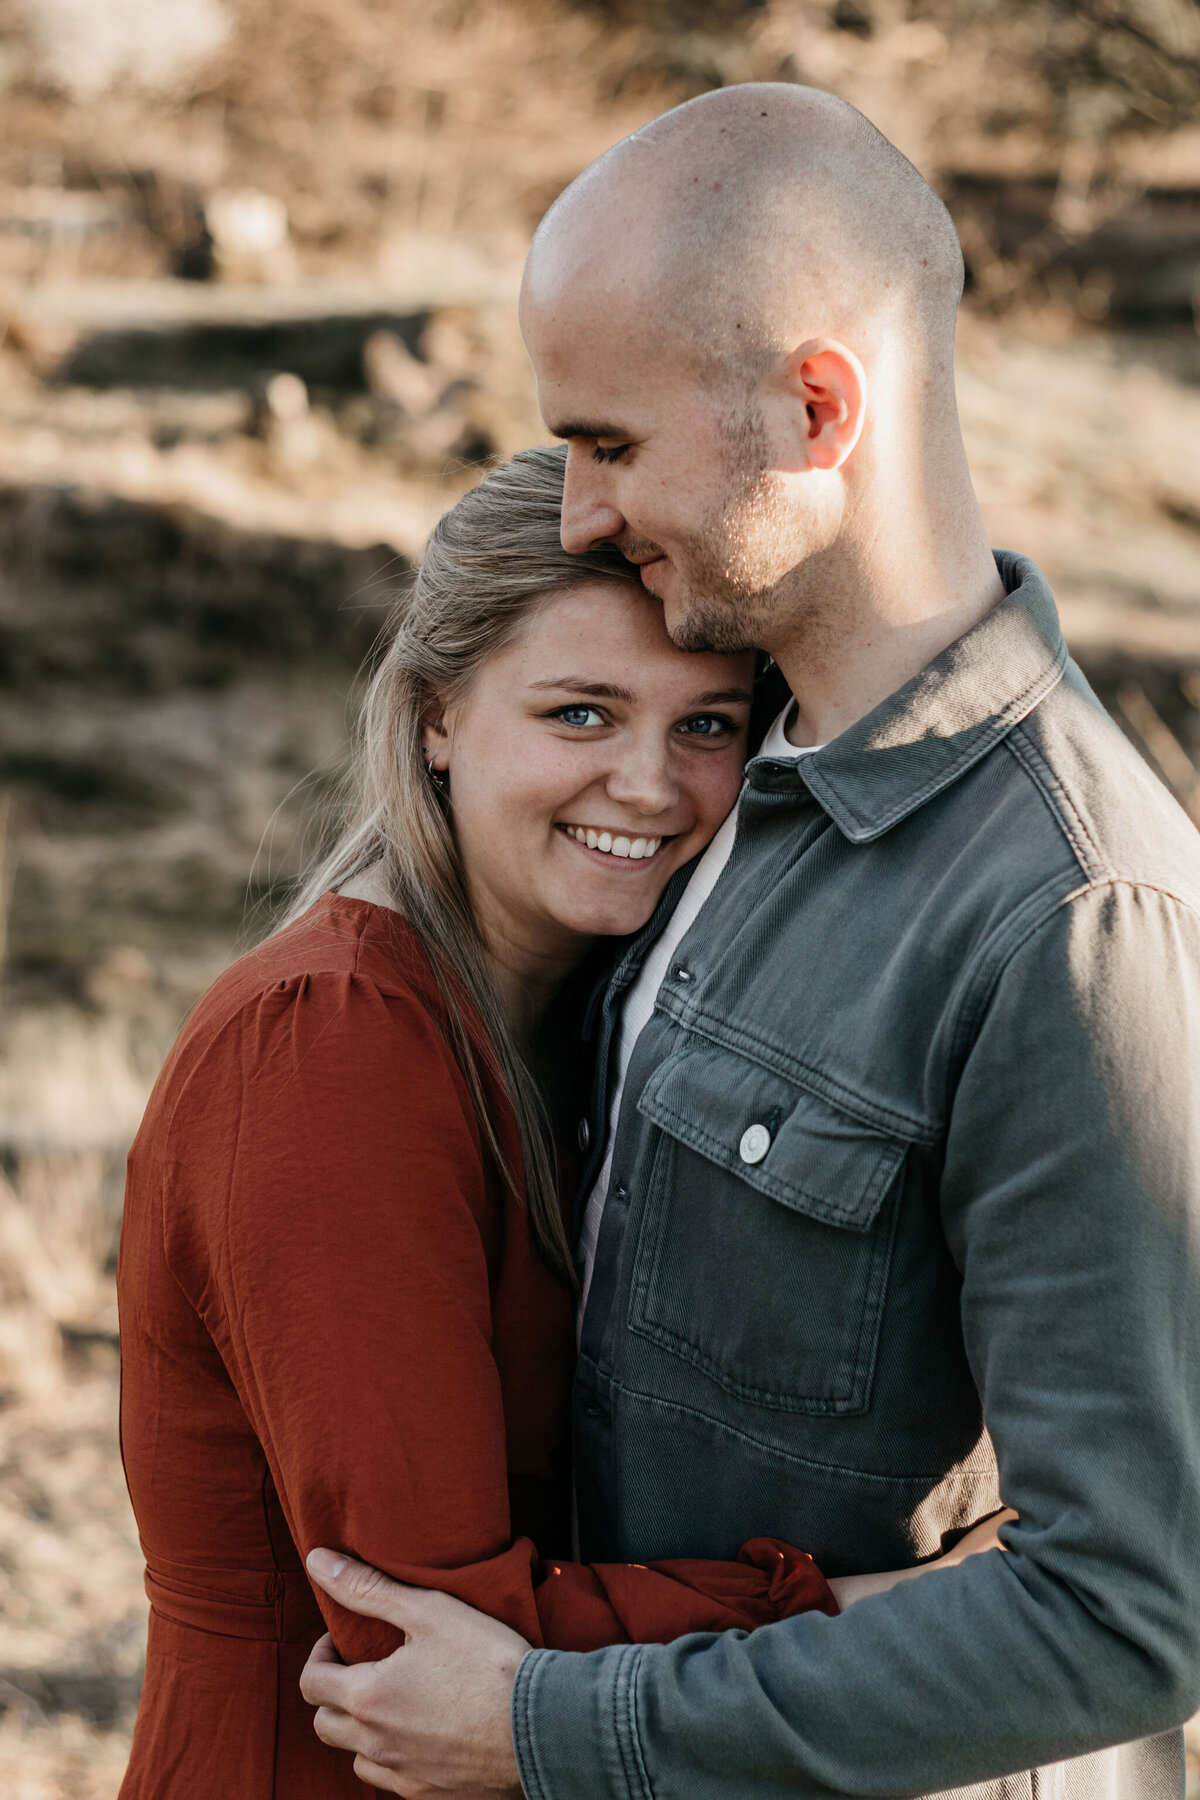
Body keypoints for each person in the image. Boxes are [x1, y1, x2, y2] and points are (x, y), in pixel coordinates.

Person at [299, 82, 1200, 1800]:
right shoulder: (726, 777)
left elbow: (1128, 1613)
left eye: (612, 445)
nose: (574, 514)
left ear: (814, 406)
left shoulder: (1074, 919)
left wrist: (554, 1730)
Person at [119, 444, 994, 1800]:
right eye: (581, 714)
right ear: (437, 717)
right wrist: (891, 1607)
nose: (650, 786)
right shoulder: (330, 1046)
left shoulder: (598, 1011)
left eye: (706, 725)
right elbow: (430, 1641)